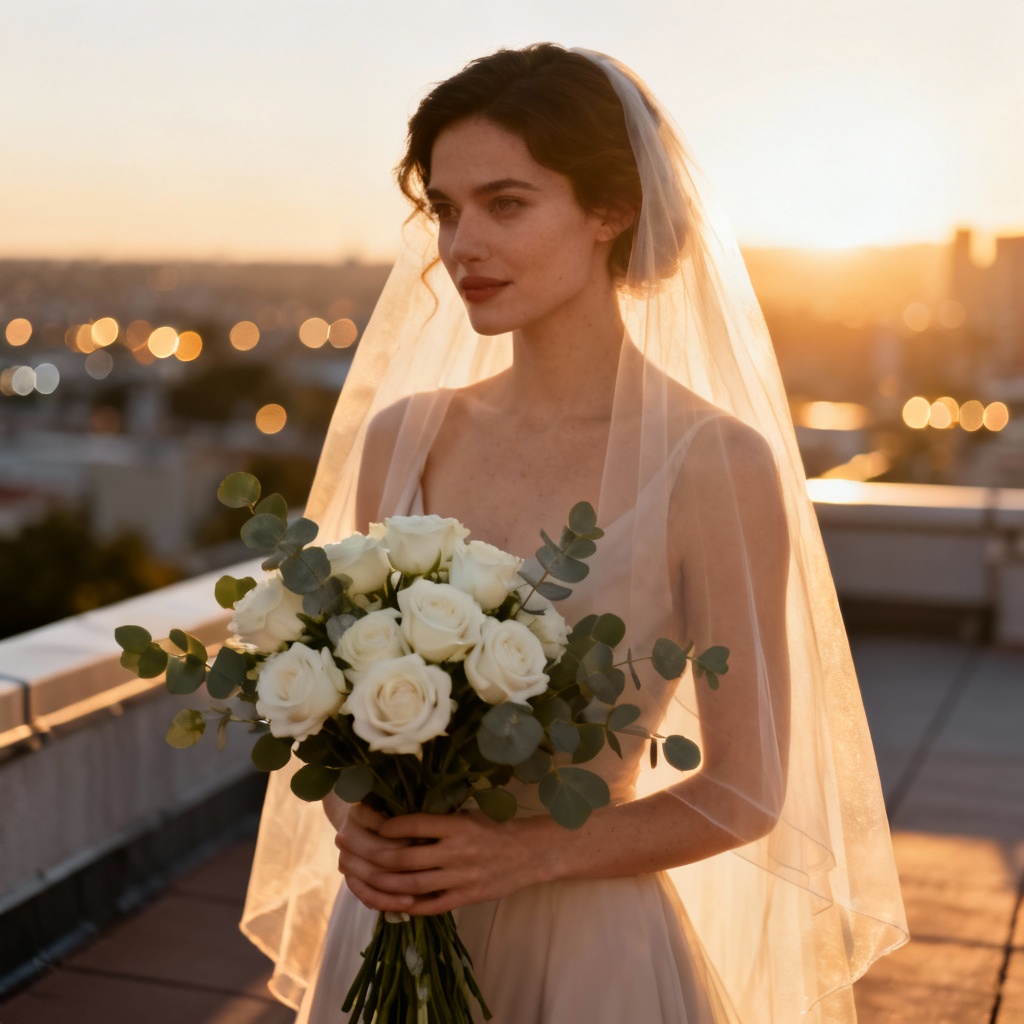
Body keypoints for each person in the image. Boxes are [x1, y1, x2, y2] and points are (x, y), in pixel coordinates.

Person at [241, 44, 907, 1023]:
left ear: (611, 209)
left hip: (591, 955)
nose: (461, 244)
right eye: (446, 208)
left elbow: (744, 788)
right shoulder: (402, 439)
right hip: (391, 931)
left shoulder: (713, 463)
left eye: (505, 204)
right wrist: (360, 823)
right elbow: (349, 714)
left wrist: (525, 851)